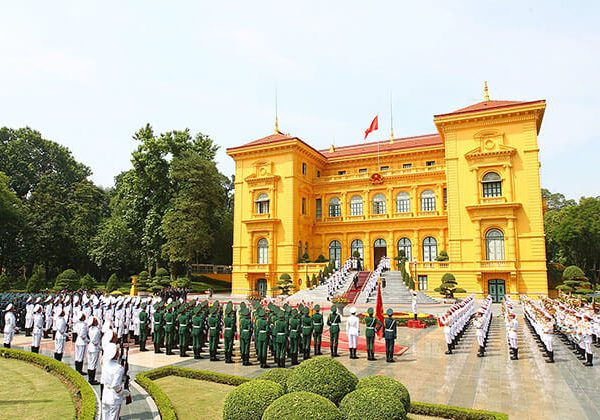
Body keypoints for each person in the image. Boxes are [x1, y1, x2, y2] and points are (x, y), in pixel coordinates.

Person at [101, 342, 128, 420]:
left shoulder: (105, 365)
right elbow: (115, 386)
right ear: (116, 354)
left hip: (105, 395)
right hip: (114, 397)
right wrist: (124, 392)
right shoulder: (118, 368)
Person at [87, 316, 101, 385]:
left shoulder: (90, 329)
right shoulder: (96, 330)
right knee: (93, 364)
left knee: (90, 363)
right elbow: (95, 341)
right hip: (94, 348)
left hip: (90, 347)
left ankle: (90, 378)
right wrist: (100, 347)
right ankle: (92, 379)